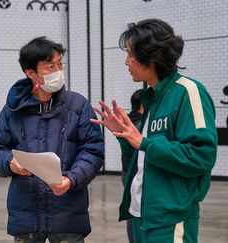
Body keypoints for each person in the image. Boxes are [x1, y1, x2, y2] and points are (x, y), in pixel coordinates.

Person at [91, 19, 218, 243]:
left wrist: (144, 143)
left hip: (170, 219)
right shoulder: (153, 97)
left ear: (151, 58)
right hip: (142, 216)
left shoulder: (188, 92)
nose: (126, 62)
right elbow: (143, 156)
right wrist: (125, 137)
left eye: (131, 54)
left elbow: (202, 155)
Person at [0, 36, 104, 242]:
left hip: (68, 215)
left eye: (60, 64)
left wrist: (71, 179)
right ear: (31, 73)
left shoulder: (77, 106)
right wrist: (11, 163)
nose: (58, 72)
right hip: (26, 218)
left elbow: (92, 151)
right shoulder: (13, 110)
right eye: (50, 67)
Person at [121, 89, 144, 243]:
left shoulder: (128, 122)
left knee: (133, 207)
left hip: (126, 171)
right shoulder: (138, 124)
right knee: (135, 210)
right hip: (135, 172)